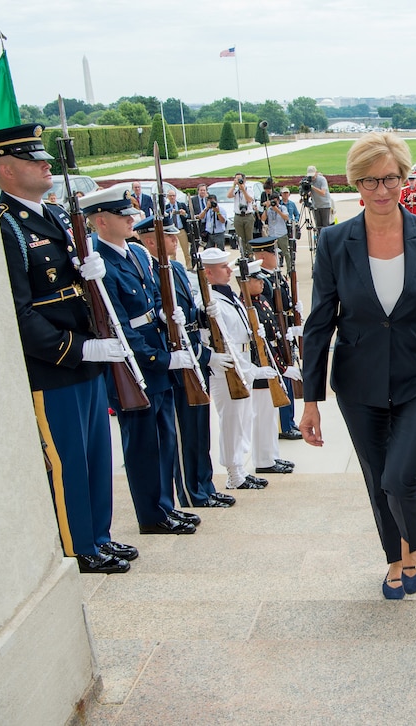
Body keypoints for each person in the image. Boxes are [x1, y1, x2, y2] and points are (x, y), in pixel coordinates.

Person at [300, 132, 416, 601]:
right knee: (377, 480)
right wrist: (310, 401)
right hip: (359, 381)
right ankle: (395, 558)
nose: (381, 190)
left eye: (390, 178)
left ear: (404, 179)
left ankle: (415, 548)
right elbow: (319, 324)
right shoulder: (334, 242)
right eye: (370, 180)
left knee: (400, 477)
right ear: (356, 183)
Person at [0, 123, 135, 574]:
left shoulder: (50, 216)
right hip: (56, 365)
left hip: (87, 357)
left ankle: (100, 535)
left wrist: (90, 274)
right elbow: (18, 312)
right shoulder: (6, 226)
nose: (47, 164)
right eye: (35, 160)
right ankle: (78, 546)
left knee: (96, 457)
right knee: (68, 460)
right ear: (7, 170)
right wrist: (78, 349)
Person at [81, 187, 201, 536]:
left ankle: (165, 505)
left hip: (157, 354)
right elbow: (115, 323)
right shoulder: (101, 262)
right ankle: (151, 515)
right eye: (123, 215)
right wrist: (160, 358)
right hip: (136, 366)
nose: (132, 218)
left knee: (164, 438)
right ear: (101, 221)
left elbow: (149, 298)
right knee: (144, 443)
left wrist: (166, 317)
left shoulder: (134, 251)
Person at [134, 216, 236, 510]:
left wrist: (204, 313)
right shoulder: (151, 273)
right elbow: (164, 325)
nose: (177, 242)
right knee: (185, 434)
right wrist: (202, 355)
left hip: (194, 357)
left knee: (200, 429)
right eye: (169, 237)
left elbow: (188, 316)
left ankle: (205, 484)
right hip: (180, 360)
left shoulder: (177, 269)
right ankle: (192, 492)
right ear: (151, 241)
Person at [199, 249, 275, 490]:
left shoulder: (230, 296)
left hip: (242, 363)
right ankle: (233, 474)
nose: (229, 270)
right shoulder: (209, 301)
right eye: (223, 267)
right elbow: (214, 338)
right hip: (227, 369)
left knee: (244, 418)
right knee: (232, 422)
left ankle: (241, 468)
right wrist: (250, 370)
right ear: (208, 273)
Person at [242, 265, 295, 476]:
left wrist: (282, 365)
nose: (262, 283)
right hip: (260, 368)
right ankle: (263, 460)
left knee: (270, 415)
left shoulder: (261, 301)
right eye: (257, 280)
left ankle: (271, 455)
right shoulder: (246, 306)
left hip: (271, 365)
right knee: (262, 416)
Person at [251, 237, 302, 442]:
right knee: (282, 382)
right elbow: (271, 316)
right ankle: (284, 424)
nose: (278, 256)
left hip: (285, 336)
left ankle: (288, 421)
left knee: (288, 381)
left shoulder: (276, 277)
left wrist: (295, 320)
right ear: (262, 256)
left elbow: (285, 308)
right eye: (274, 253)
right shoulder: (263, 281)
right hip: (277, 340)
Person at [226, 172, 256, 247]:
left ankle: (250, 254)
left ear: (244, 180)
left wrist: (243, 190)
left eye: (240, 179)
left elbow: (249, 200)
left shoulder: (249, 189)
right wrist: (234, 185)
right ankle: (243, 253)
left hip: (248, 216)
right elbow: (229, 195)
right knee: (240, 237)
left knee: (249, 237)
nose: (238, 180)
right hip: (238, 216)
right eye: (236, 179)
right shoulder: (236, 191)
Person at [162, 189, 191, 265]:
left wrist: (184, 214)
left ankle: (189, 266)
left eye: (173, 195)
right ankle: (173, 265)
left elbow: (189, 216)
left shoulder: (182, 205)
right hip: (172, 231)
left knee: (186, 250)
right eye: (170, 196)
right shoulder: (166, 207)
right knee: (172, 251)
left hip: (181, 230)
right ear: (168, 197)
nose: (172, 197)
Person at [306, 165, 333, 230]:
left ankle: (326, 239)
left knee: (325, 226)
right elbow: (309, 193)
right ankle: (319, 239)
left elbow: (323, 193)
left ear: (316, 172)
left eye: (313, 175)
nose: (312, 177)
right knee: (318, 226)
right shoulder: (309, 180)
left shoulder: (322, 179)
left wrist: (312, 187)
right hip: (315, 206)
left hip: (324, 205)